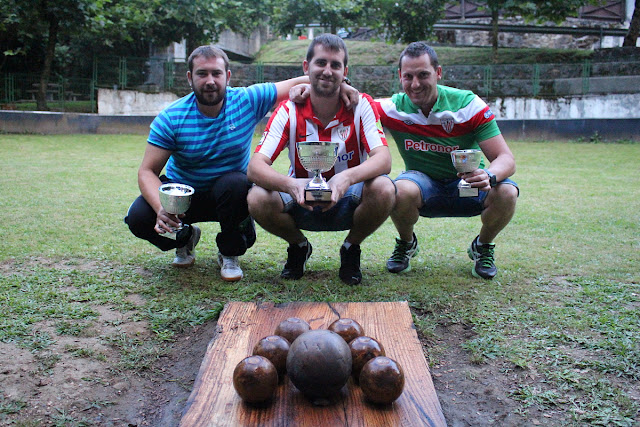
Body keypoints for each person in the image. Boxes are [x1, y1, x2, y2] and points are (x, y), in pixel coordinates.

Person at [125, 45, 358, 282]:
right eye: (202, 74)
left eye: (216, 73)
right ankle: (185, 238)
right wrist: (159, 207)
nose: (210, 81)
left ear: (227, 76)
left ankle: (230, 252)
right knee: (138, 218)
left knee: (235, 182)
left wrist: (342, 85)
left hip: (230, 196)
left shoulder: (246, 100)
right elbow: (147, 171)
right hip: (185, 197)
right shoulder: (171, 117)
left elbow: (309, 79)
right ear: (189, 78)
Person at [247, 34, 395, 285]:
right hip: (301, 198)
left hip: (348, 197)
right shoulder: (288, 109)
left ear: (344, 71)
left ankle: (351, 249)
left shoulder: (361, 105)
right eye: (321, 63)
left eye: (335, 65)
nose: (327, 71)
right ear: (307, 67)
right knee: (257, 197)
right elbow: (255, 167)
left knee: (384, 188)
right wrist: (293, 185)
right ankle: (298, 246)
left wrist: (345, 178)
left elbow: (384, 159)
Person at [375, 42, 519, 279]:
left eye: (423, 75)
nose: (415, 84)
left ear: (438, 73)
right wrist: (303, 88)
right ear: (400, 76)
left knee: (507, 193)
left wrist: (489, 176)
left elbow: (506, 159)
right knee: (398, 189)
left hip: (468, 185)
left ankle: (483, 246)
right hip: (424, 186)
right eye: (408, 76)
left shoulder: (467, 104)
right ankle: (406, 243)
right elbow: (351, 101)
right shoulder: (392, 107)